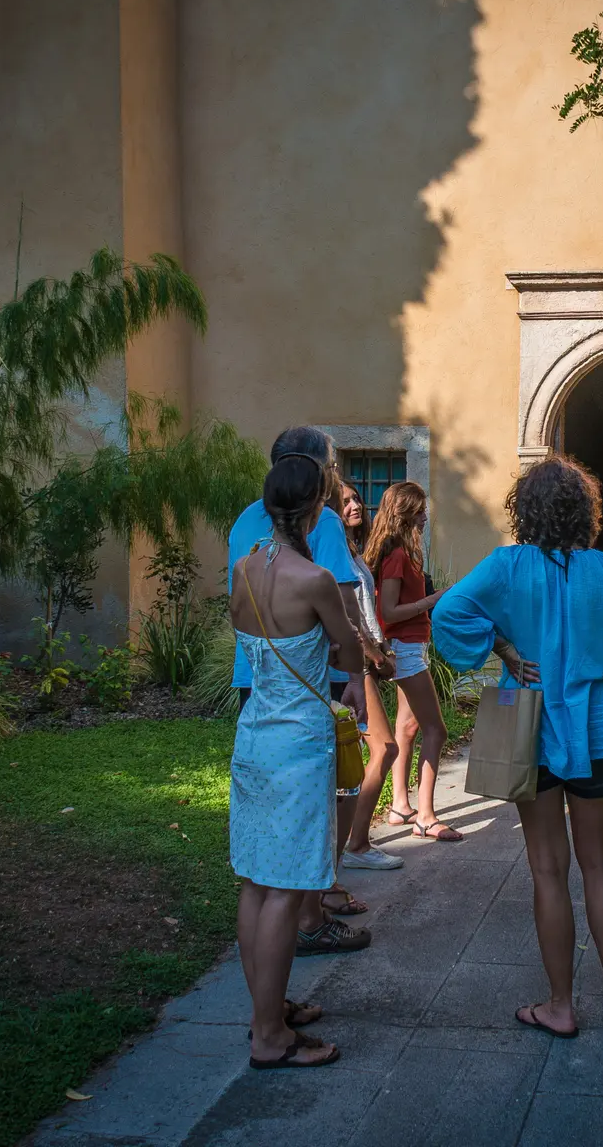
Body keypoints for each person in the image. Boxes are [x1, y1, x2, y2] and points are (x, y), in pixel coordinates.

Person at [433, 456, 603, 1037]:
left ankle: (560, 1003)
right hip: (596, 729)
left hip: (529, 728)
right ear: (584, 511)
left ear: (522, 511)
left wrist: (501, 647)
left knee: (547, 872)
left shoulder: (506, 566)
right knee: (600, 865)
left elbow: (449, 611)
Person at [229, 451, 367, 1068]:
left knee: (256, 882)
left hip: (253, 733)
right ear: (316, 507)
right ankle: (269, 1037)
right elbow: (347, 649)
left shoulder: (243, 568)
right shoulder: (311, 579)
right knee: (285, 890)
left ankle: (270, 1008)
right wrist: (362, 664)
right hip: (298, 742)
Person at [363, 482, 460, 840]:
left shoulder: (401, 550)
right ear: (405, 514)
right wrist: (432, 600)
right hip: (406, 650)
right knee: (437, 729)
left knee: (408, 727)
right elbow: (388, 611)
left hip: (410, 647)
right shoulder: (398, 556)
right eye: (419, 511)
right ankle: (426, 816)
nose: (424, 516)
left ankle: (400, 805)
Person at [333, 481, 403, 870]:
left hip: (369, 658)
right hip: (355, 663)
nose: (354, 505)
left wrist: (383, 648)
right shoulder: (333, 552)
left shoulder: (352, 551)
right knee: (385, 748)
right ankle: (356, 844)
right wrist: (372, 654)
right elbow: (346, 615)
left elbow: (365, 610)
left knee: (361, 753)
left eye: (356, 497)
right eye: (344, 501)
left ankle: (350, 842)